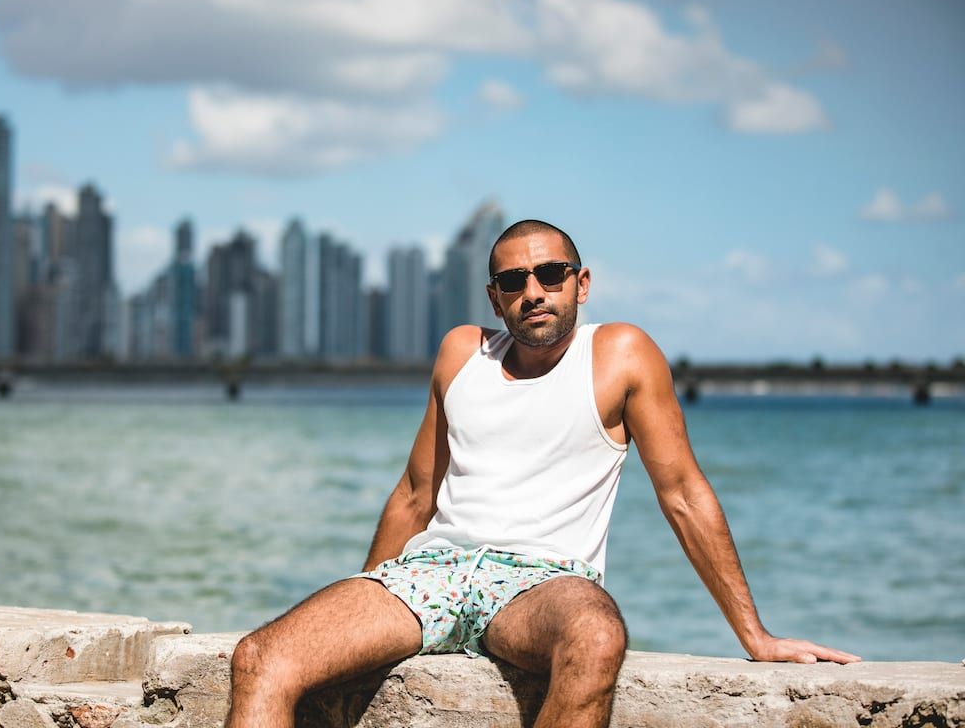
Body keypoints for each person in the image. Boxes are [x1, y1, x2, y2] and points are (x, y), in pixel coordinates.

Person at [225, 219, 860, 728]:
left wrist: (755, 634)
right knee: (260, 658)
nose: (534, 290)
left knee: (597, 636)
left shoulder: (620, 355)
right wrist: (368, 601)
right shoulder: (460, 351)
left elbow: (684, 495)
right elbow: (417, 494)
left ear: (581, 283)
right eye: (513, 280)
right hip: (428, 575)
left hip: (542, 585)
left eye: (551, 274)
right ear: (495, 296)